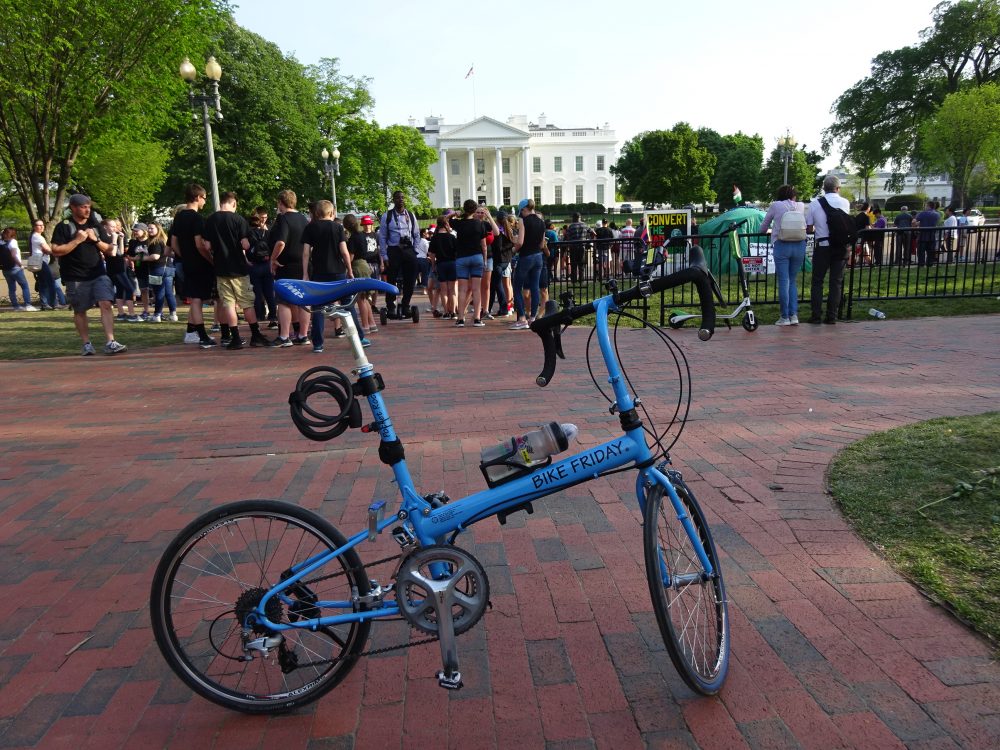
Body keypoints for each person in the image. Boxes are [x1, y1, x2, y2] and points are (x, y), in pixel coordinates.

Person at [49, 194, 126, 354]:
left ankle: (111, 341)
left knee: (105, 303)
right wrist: (76, 241)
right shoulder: (64, 226)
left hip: (98, 272)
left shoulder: (95, 225)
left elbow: (111, 250)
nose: (87, 210)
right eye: (83, 207)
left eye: (88, 207)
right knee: (80, 310)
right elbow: (55, 250)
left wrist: (95, 240)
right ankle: (86, 344)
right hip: (75, 276)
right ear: (73, 208)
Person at [202, 191, 273, 350]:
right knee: (247, 303)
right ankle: (255, 335)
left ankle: (234, 338)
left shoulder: (211, 220)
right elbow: (245, 245)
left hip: (220, 268)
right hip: (239, 268)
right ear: (234, 203)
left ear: (222, 203)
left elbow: (206, 246)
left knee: (228, 304)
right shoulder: (239, 219)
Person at [301, 200, 357, 353]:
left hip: (319, 272)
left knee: (318, 307)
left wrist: (305, 273)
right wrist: (349, 269)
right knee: (347, 304)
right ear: (332, 213)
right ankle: (358, 337)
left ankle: (318, 344)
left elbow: (306, 253)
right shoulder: (338, 227)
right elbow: (344, 252)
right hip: (338, 271)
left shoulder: (310, 228)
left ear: (316, 213)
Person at [169, 184, 216, 346]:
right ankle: (202, 336)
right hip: (199, 263)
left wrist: (184, 255)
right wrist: (210, 260)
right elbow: (199, 244)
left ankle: (191, 331)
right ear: (197, 197)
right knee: (197, 300)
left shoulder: (179, 217)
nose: (204, 201)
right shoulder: (197, 218)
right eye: (203, 198)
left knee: (195, 298)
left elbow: (173, 243)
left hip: (187, 262)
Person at [805, 175, 851, 325]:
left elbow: (809, 228)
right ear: (838, 188)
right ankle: (832, 316)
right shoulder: (845, 202)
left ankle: (816, 315)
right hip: (840, 247)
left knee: (817, 281)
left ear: (824, 188)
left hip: (823, 246)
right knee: (836, 282)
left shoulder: (814, 204)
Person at [760, 185, 806, 326]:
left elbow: (763, 227)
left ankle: (784, 317)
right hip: (799, 244)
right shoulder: (801, 206)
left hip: (782, 245)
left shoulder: (775, 206)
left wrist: (769, 231)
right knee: (792, 280)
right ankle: (794, 315)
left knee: (784, 281)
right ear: (793, 195)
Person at [269, 189, 310, 346]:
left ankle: (284, 336)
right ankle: (303, 335)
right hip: (303, 264)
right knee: (303, 300)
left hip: (286, 265)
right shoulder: (303, 219)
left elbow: (281, 242)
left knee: (284, 301)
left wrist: (273, 259)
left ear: (280, 203)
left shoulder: (283, 219)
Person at [378, 190, 420, 318]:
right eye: (397, 198)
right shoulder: (388, 216)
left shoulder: (411, 215)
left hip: (408, 249)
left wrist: (415, 250)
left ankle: (406, 304)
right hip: (394, 249)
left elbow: (416, 234)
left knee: (411, 278)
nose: (400, 200)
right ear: (393, 200)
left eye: (402, 197)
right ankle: (390, 305)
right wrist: (384, 256)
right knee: (391, 278)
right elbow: (382, 237)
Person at [449, 199, 487, 327]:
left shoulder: (459, 224)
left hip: (462, 258)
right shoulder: (479, 224)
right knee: (476, 289)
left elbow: (445, 219)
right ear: (475, 209)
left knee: (462, 290)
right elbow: (484, 245)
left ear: (464, 209)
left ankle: (460, 318)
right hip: (477, 256)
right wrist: (485, 259)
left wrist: (454, 213)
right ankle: (477, 318)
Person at [510, 198, 545, 330]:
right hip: (538, 257)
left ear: (524, 209)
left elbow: (520, 242)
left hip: (526, 257)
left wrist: (513, 251)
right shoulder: (541, 221)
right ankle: (533, 318)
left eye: (522, 211)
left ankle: (522, 319)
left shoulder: (523, 220)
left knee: (517, 287)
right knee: (535, 287)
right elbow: (542, 244)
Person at [344, 213, 377, 338]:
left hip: (357, 266)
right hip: (365, 264)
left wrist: (347, 267)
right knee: (366, 297)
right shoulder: (362, 235)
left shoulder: (353, 238)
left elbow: (351, 256)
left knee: (361, 299)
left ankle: (365, 325)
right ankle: (372, 323)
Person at [247, 207, 277, 330]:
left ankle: (260, 317)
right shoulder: (268, 231)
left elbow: (246, 247)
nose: (264, 220)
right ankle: (272, 318)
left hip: (255, 265)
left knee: (259, 293)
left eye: (266, 217)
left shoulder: (249, 231)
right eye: (262, 217)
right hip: (265, 264)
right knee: (268, 292)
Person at [428, 214, 458, 319]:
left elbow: (431, 254)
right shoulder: (452, 237)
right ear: (446, 224)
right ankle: (453, 312)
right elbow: (457, 251)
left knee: (444, 291)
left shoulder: (435, 238)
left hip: (441, 264)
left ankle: (446, 312)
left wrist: (433, 265)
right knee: (452, 290)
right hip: (452, 263)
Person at [146, 221, 177, 322]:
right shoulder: (165, 240)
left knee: (158, 292)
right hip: (169, 268)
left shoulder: (155, 242)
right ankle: (173, 314)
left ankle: (157, 315)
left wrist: (141, 258)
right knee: (169, 293)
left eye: (151, 228)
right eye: (148, 228)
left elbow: (155, 256)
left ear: (158, 229)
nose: (149, 230)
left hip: (157, 269)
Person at [2, 227, 38, 311]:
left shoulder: (1, 242)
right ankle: (28, 305)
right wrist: (20, 265)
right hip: (16, 268)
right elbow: (14, 255)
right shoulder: (13, 242)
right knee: (24, 286)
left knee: (11, 288)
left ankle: (16, 306)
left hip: (5, 269)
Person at [27, 220, 58, 309]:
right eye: (39, 225)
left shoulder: (34, 236)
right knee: (51, 282)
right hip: (41, 261)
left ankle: (44, 304)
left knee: (43, 283)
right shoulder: (38, 237)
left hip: (38, 262)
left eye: (42, 225)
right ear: (34, 227)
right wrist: (57, 251)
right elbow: (47, 249)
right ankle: (54, 303)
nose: (41, 227)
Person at [564, 212, 594, 282]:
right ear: (580, 217)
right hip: (582, 247)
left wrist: (570, 241)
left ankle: (574, 280)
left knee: (573, 264)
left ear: (574, 218)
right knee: (581, 264)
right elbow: (593, 233)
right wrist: (589, 241)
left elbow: (567, 236)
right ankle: (581, 279)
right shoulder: (585, 225)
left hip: (573, 247)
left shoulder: (571, 226)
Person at [914, 200, 941, 267]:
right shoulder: (937, 214)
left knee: (921, 251)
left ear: (928, 206)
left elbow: (914, 222)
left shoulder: (922, 213)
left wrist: (917, 224)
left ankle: (921, 264)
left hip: (923, 235)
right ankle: (929, 264)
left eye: (925, 205)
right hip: (932, 235)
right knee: (930, 251)